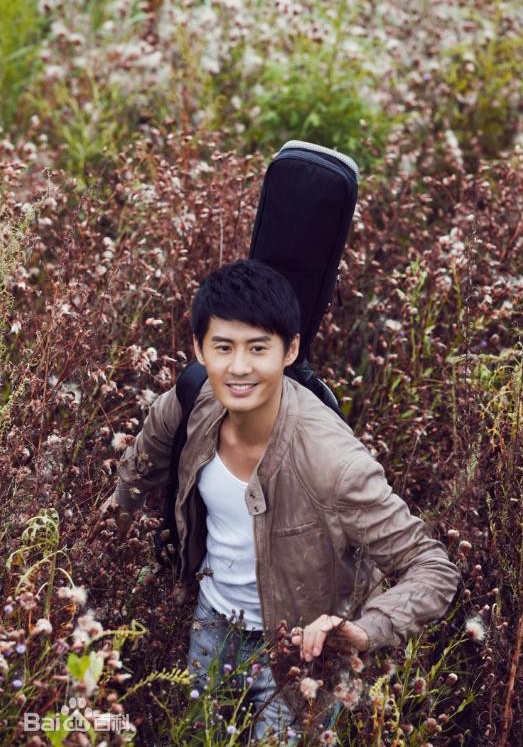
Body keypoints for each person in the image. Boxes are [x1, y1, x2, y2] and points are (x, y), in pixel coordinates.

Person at [98, 259, 459, 740]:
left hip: (302, 654)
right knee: (196, 735)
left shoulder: (334, 463)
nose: (239, 367)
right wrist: (97, 568)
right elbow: (134, 479)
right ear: (199, 349)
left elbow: (432, 566)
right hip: (213, 621)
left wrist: (366, 629)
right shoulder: (189, 401)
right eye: (223, 347)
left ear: (289, 350)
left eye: (258, 348)